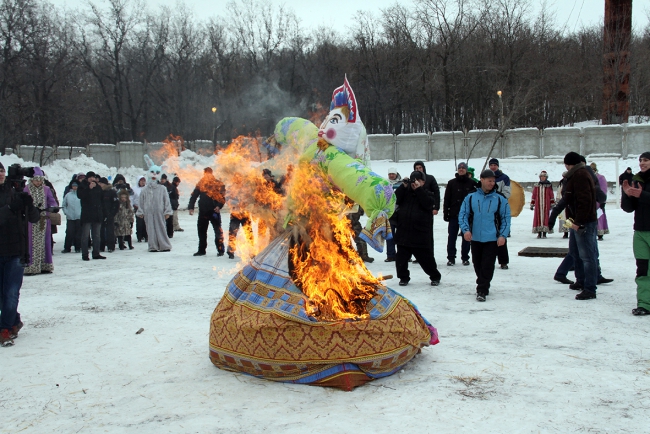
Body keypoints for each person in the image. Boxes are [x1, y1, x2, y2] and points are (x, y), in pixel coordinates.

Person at [0, 162, 40, 346]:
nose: (0, 174)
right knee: (2, 293)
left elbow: (34, 218)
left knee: (11, 292)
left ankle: (5, 328)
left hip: (16, 249)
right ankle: (14, 320)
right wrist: (10, 208)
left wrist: (29, 205)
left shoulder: (15, 192)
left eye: (2, 171)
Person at [458, 169, 511, 302]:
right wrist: (466, 230)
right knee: (477, 264)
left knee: (487, 265)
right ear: (482, 180)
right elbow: (463, 215)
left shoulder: (500, 198)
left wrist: (503, 235)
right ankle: (482, 282)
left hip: (492, 238)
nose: (492, 183)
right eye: (489, 180)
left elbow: (505, 218)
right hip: (475, 238)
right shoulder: (471, 197)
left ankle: (482, 289)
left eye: (493, 181)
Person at [393, 170, 442, 287]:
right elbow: (395, 199)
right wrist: (403, 186)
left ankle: (435, 276)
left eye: (418, 180)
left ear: (423, 182)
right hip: (404, 231)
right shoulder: (405, 193)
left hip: (420, 233)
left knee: (426, 259)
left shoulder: (427, 193)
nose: (415, 183)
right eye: (413, 181)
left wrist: (419, 190)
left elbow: (428, 204)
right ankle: (403, 277)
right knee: (401, 259)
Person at [562, 152, 599, 300]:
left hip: (583, 222)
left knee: (587, 256)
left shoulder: (580, 175)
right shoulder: (576, 175)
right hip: (575, 220)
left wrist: (579, 222)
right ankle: (581, 280)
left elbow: (585, 201)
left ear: (568, 164)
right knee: (576, 252)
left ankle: (590, 288)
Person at [621, 152, 650, 315]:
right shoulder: (637, 180)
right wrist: (627, 195)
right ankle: (644, 304)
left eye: (646, 160)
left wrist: (642, 195)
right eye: (640, 160)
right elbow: (628, 208)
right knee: (643, 269)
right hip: (640, 231)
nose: (642, 163)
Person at [22, 168, 58, 275]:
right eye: (36, 180)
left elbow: (51, 200)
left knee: (45, 242)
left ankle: (44, 265)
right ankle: (32, 266)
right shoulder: (26, 189)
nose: (38, 182)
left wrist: (53, 207)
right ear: (32, 180)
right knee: (32, 243)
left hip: (43, 219)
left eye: (40, 180)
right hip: (31, 221)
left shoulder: (46, 189)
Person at [443, 162, 475, 266]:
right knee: (452, 237)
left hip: (467, 215)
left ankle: (465, 257)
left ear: (466, 170)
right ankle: (451, 257)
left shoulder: (472, 183)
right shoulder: (451, 183)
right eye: (459, 168)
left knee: (467, 237)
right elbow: (447, 199)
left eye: (463, 168)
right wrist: (446, 212)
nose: (461, 169)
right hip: (454, 214)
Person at [136, 161, 173, 252]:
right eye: (152, 172)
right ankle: (153, 246)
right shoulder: (145, 189)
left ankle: (164, 245)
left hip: (159, 211)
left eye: (157, 173)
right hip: (148, 212)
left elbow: (166, 201)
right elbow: (141, 201)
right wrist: (140, 211)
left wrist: (167, 211)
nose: (154, 175)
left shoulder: (162, 189)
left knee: (161, 227)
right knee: (150, 229)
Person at [188, 167, 225, 257]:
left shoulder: (218, 183)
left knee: (218, 231)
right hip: (203, 211)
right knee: (201, 231)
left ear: (211, 174)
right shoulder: (201, 183)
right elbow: (194, 195)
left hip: (214, 211)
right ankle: (201, 250)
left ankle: (220, 250)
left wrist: (219, 206)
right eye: (205, 174)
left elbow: (222, 197)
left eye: (208, 174)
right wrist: (191, 207)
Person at [412, 161, 440, 264]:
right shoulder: (413, 180)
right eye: (416, 168)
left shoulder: (430, 178)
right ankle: (418, 256)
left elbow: (436, 193)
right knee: (415, 235)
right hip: (415, 212)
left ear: (423, 168)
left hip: (427, 210)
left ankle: (429, 255)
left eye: (420, 167)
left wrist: (435, 207)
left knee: (427, 235)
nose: (418, 169)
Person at [78, 171, 105, 261]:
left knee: (96, 235)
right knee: (85, 236)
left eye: (93, 177)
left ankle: (96, 253)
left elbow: (101, 199)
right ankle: (85, 254)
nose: (92, 179)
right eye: (90, 177)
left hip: (97, 214)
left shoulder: (97, 187)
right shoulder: (82, 185)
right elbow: (80, 195)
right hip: (87, 215)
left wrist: (102, 212)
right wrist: (88, 188)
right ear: (87, 178)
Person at [488, 158, 511, 269]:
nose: (493, 167)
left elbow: (507, 192)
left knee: (501, 235)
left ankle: (503, 261)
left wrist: (497, 199)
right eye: (491, 165)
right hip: (487, 210)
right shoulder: (486, 176)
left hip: (499, 208)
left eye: (495, 165)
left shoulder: (504, 178)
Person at [530, 170, 555, 238]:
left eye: (544, 176)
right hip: (538, 205)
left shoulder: (549, 186)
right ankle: (539, 232)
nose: (543, 178)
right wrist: (532, 204)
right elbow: (534, 195)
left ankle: (544, 233)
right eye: (541, 176)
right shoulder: (537, 186)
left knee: (546, 218)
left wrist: (552, 203)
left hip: (546, 205)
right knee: (538, 217)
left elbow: (551, 195)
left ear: (546, 177)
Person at [385, 167, 401, 262]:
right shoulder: (385, 183)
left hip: (400, 213)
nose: (391, 175)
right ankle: (391, 255)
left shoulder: (401, 183)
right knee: (390, 235)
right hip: (390, 213)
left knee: (401, 236)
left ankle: (403, 255)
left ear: (396, 174)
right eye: (390, 174)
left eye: (393, 174)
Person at [590, 163, 610, 241]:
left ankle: (600, 232)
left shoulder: (600, 178)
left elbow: (603, 190)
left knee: (599, 216)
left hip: (598, 201)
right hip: (590, 201)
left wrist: (602, 201)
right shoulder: (588, 177)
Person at [99, 177, 119, 252]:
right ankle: (101, 246)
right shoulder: (99, 192)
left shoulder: (111, 192)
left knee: (110, 231)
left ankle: (111, 246)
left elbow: (116, 204)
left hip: (109, 214)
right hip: (100, 214)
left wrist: (112, 213)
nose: (100, 184)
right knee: (100, 231)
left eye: (101, 183)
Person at [61, 181, 82, 253]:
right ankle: (67, 248)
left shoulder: (81, 194)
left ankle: (78, 247)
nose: (75, 187)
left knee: (78, 233)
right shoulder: (68, 195)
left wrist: (81, 213)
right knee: (69, 233)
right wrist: (66, 212)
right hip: (70, 217)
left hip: (79, 217)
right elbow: (64, 205)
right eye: (73, 186)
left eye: (76, 186)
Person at [132, 176, 148, 243]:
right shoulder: (134, 189)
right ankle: (139, 236)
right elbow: (132, 198)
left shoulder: (147, 188)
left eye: (144, 181)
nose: (142, 182)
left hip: (146, 208)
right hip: (137, 207)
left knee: (146, 222)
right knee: (139, 223)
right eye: (141, 181)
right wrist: (132, 205)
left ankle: (146, 236)